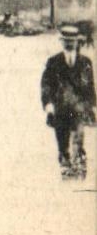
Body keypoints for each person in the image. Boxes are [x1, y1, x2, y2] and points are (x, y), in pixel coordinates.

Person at [41, 24, 96, 180]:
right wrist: (48, 105)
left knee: (79, 135)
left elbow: (89, 85)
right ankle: (65, 163)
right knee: (62, 138)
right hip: (60, 108)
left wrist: (92, 105)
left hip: (78, 107)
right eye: (66, 41)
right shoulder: (53, 62)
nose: (69, 44)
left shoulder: (85, 62)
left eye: (72, 41)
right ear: (61, 41)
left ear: (77, 42)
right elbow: (46, 85)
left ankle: (79, 162)